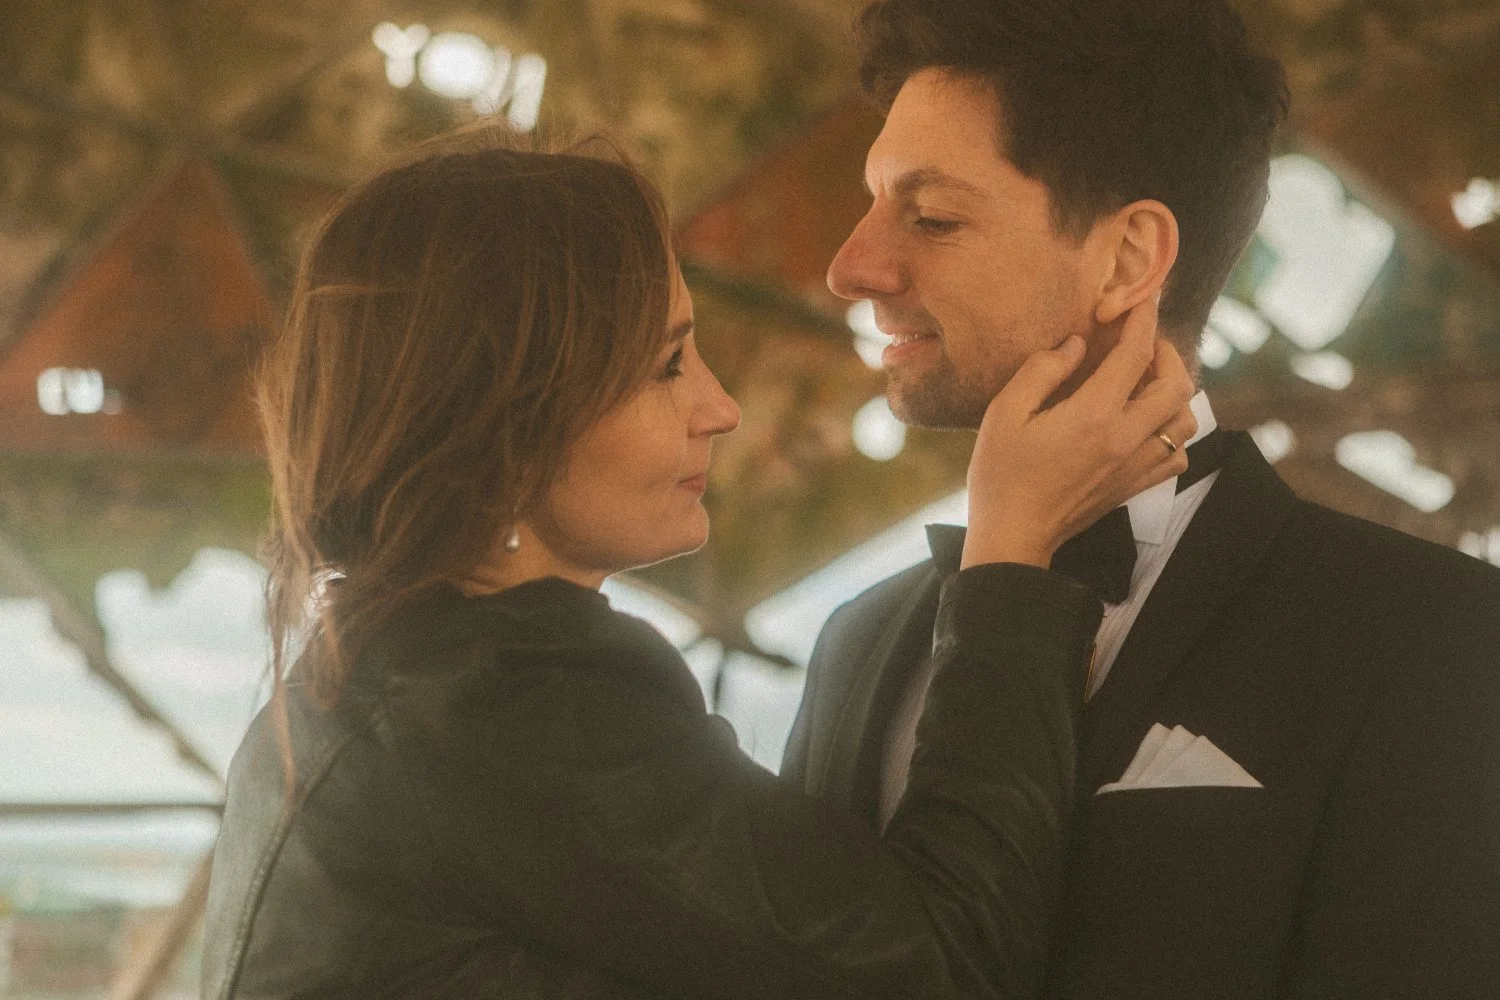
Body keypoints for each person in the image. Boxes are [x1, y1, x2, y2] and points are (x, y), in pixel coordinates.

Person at [200, 131, 1198, 1000]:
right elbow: (947, 964)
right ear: (507, 422)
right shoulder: (505, 710)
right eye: (666, 363)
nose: (716, 407)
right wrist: (1012, 555)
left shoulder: (372, 685)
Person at [783, 1, 1500, 997]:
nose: (851, 266)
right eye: (871, 202)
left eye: (932, 215)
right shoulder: (860, 641)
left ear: (1127, 258)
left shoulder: (1437, 634)